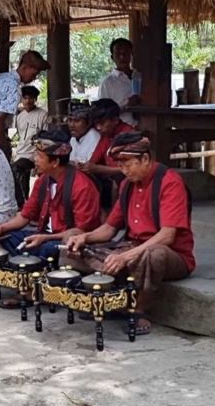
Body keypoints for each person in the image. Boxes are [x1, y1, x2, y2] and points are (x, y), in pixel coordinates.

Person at [68, 132, 195, 335]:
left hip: (170, 254)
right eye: (119, 165)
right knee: (73, 248)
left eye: (127, 164)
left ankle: (138, 308)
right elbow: (109, 228)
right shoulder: (127, 185)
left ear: (144, 159)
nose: (123, 170)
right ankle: (112, 300)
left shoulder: (170, 182)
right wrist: (84, 237)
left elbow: (167, 235)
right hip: (131, 247)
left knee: (154, 255)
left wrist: (126, 256)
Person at [0, 129, 102, 262]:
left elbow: (82, 231)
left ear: (55, 162)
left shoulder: (82, 186)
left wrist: (45, 238)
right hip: (44, 235)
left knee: (48, 250)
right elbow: (25, 216)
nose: (35, 159)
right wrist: (0, 228)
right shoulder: (43, 180)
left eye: (39, 156)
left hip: (69, 240)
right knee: (5, 238)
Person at [0, 50, 50, 159]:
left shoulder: (2, 77)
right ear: (24, 68)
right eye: (34, 74)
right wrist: (5, 146)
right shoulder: (14, 88)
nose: (34, 78)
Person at [80, 98, 135, 209]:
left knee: (117, 182)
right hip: (109, 181)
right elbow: (93, 161)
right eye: (96, 124)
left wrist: (98, 169)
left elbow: (129, 169)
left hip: (127, 180)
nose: (98, 128)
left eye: (102, 123)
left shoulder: (129, 134)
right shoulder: (106, 136)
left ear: (115, 120)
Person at [12, 86, 49, 206]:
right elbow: (17, 136)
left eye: (31, 98)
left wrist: (38, 154)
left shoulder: (43, 115)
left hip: (34, 153)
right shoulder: (19, 117)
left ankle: (24, 204)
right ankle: (25, 204)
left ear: (35, 99)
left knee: (17, 170)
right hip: (20, 152)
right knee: (22, 178)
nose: (28, 101)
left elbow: (45, 137)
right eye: (25, 98)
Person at [98, 38, 141, 127]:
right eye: (118, 54)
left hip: (146, 129)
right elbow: (103, 112)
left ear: (131, 54)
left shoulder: (140, 77)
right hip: (121, 133)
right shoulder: (107, 83)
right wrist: (126, 104)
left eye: (126, 53)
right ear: (112, 57)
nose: (122, 57)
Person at [67, 104, 101, 169]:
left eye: (77, 121)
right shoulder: (73, 138)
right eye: (70, 120)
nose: (71, 125)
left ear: (88, 122)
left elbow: (86, 167)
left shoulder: (94, 137)